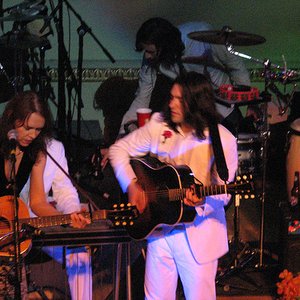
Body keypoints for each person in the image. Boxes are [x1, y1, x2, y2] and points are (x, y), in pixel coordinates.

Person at [109, 72, 238, 299]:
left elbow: (224, 193)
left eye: (180, 100)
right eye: (172, 97)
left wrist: (202, 200)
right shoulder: (159, 124)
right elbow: (118, 150)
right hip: (160, 228)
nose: (172, 103)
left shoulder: (223, 139)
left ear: (196, 103)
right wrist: (131, 185)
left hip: (199, 234)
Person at [0, 91, 89, 299]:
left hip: (15, 236)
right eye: (27, 127)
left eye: (38, 130)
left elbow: (38, 202)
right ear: (13, 118)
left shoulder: (37, 152)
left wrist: (67, 220)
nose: (32, 134)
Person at [119, 18, 251, 136]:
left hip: (222, 110)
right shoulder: (153, 58)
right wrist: (122, 133)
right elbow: (142, 95)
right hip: (189, 115)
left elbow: (236, 66)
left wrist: (247, 104)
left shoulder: (201, 36)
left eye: (150, 51)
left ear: (165, 47)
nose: (147, 56)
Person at [20, 138, 92, 300]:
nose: (32, 133)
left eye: (38, 128)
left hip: (41, 226)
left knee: (79, 252)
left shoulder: (53, 148)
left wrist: (72, 213)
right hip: (10, 225)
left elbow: (65, 190)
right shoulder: (8, 146)